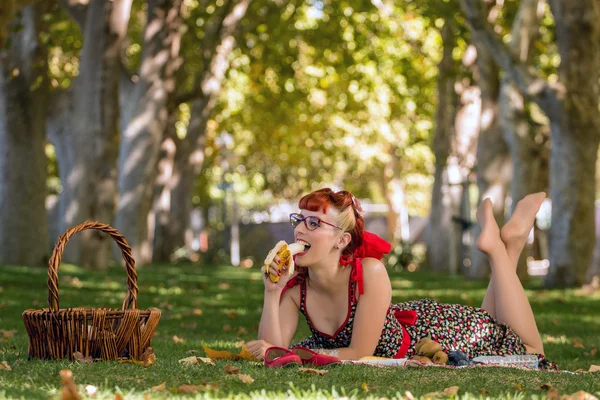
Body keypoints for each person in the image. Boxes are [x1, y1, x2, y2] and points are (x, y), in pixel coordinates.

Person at [247, 188, 554, 368]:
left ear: (341, 240)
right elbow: (273, 351)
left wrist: (307, 355)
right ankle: (511, 244)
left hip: (435, 333)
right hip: (418, 334)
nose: (299, 230)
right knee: (496, 322)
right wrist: (272, 293)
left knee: (529, 350)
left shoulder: (368, 272)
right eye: (299, 220)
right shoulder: (294, 286)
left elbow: (359, 353)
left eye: (313, 223)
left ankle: (499, 252)